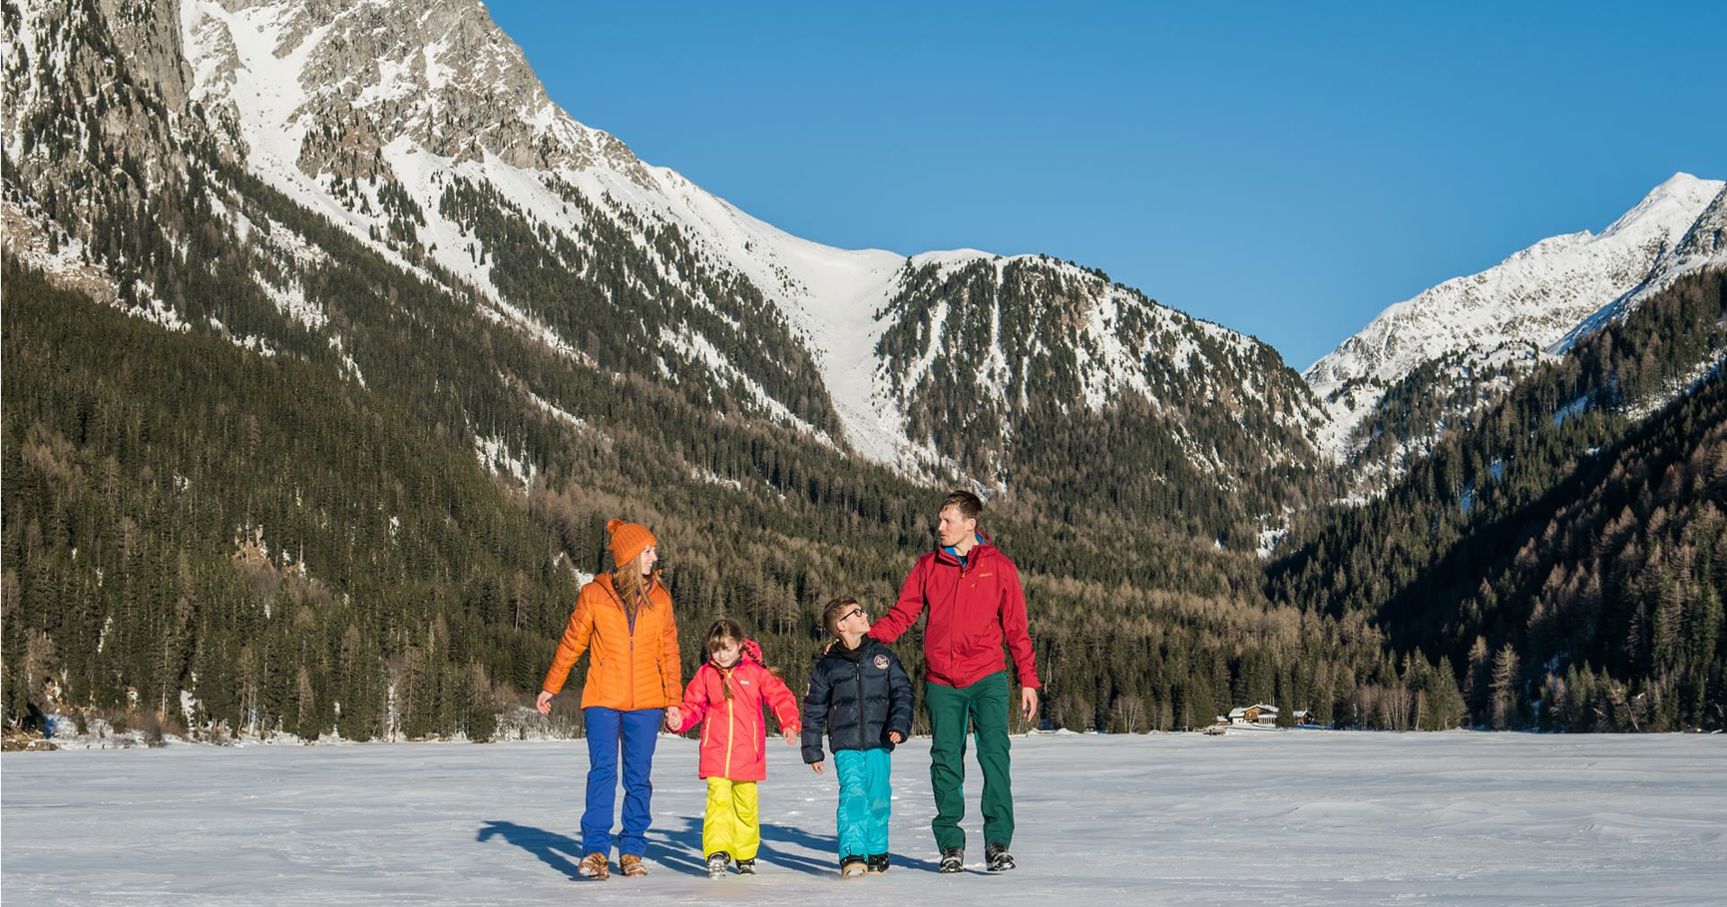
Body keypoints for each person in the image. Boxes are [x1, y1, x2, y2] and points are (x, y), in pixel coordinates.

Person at [868, 490, 1039, 873]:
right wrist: (867, 639)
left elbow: (1016, 629)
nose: (940, 527)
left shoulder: (999, 568)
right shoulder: (929, 566)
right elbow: (903, 614)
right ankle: (950, 843)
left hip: (989, 678)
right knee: (946, 761)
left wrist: (1028, 679)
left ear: (970, 524)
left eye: (947, 521)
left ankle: (997, 842)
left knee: (995, 758)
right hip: (943, 682)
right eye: (940, 520)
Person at [536, 519, 683, 880]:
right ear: (631, 556)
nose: (654, 556)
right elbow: (572, 643)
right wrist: (550, 686)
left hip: (647, 702)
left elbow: (669, 653)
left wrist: (673, 701)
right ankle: (596, 852)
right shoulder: (593, 594)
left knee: (638, 779)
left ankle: (631, 850)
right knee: (602, 774)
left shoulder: (660, 598)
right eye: (648, 551)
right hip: (602, 697)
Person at [667, 618, 802, 879]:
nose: (721, 655)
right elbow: (693, 706)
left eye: (727, 649)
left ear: (740, 645)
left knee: (745, 806)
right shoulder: (706, 674)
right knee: (718, 803)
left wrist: (789, 723)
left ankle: (745, 854)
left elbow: (780, 697)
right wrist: (678, 721)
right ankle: (717, 852)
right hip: (715, 753)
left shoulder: (755, 673)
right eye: (716, 650)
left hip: (747, 755)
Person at [802, 597, 914, 879]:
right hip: (846, 745)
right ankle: (853, 853)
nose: (865, 615)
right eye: (857, 613)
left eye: (863, 610)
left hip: (879, 742)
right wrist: (813, 749)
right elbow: (814, 709)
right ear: (842, 625)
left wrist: (899, 724)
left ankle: (877, 852)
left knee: (878, 798)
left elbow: (903, 692)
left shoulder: (883, 658)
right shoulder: (827, 667)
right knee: (853, 795)